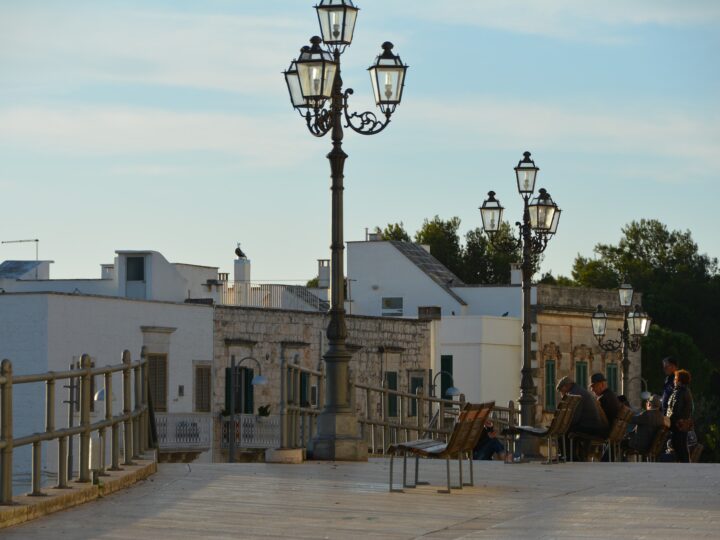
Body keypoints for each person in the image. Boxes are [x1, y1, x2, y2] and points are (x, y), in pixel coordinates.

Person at [557, 376, 607, 461]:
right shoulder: (578, 390)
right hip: (593, 425)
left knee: (563, 431)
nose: (562, 394)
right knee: (568, 429)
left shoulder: (574, 394)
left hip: (591, 427)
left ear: (566, 386)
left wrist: (565, 424)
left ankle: (569, 456)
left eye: (561, 391)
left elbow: (575, 416)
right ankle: (571, 456)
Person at [667, 369, 694, 463]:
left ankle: (684, 466)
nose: (674, 381)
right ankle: (684, 465)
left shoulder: (680, 392)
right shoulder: (684, 391)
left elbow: (676, 409)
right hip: (682, 423)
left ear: (679, 380)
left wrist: (670, 420)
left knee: (679, 445)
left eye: (675, 378)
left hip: (678, 424)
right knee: (681, 445)